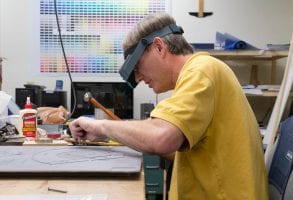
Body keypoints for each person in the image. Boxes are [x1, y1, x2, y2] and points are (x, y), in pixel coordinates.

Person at [69, 13, 269, 199]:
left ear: (159, 47)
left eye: (137, 66)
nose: (138, 78)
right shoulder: (200, 73)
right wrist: (111, 135)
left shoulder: (202, 71)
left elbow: (162, 138)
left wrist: (101, 126)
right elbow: (179, 150)